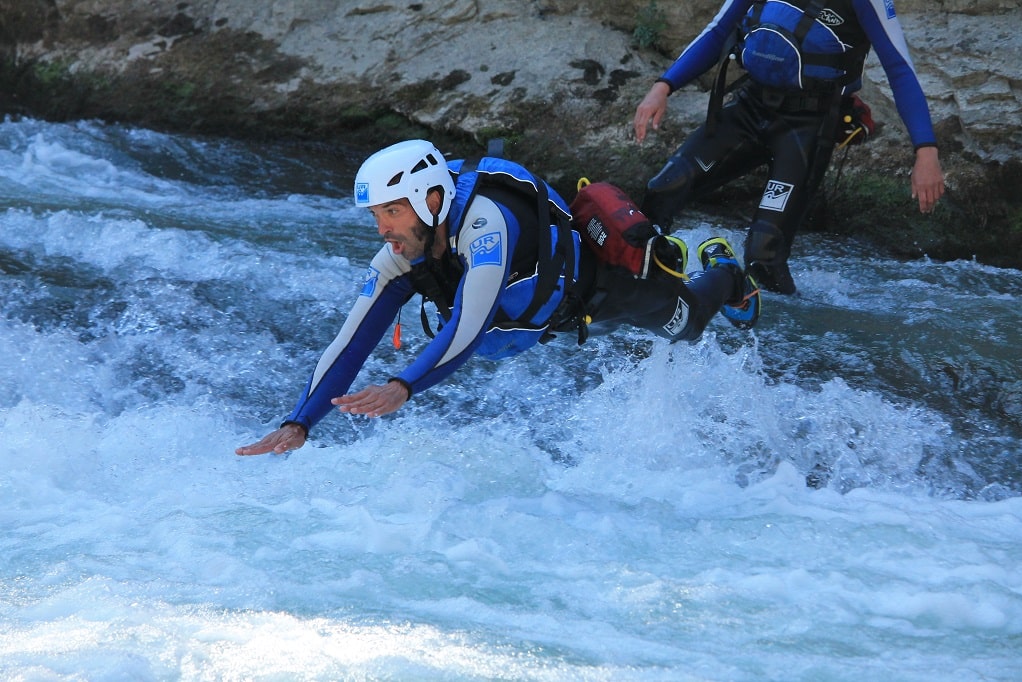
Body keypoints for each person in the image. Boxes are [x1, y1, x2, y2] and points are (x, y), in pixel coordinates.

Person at [236, 139, 761, 456]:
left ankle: (724, 270)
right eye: (376, 216)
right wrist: (299, 422)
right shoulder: (403, 250)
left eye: (391, 213)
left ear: (431, 199)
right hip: (551, 317)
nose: (381, 230)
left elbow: (469, 323)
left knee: (687, 326)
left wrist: (402, 385)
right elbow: (349, 342)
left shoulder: (489, 225)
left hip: (600, 291)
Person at [633, 0, 945, 295]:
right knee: (663, 189)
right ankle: (639, 280)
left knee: (763, 254)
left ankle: (773, 336)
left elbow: (900, 69)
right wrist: (663, 86)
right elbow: (717, 31)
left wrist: (925, 151)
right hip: (749, 108)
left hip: (809, 127)